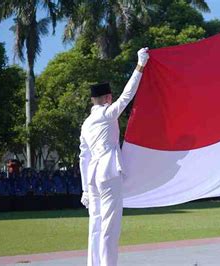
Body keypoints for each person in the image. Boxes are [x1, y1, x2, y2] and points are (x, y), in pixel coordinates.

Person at [79, 47, 149, 266]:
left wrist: (84, 188)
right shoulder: (108, 114)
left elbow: (83, 158)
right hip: (108, 173)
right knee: (110, 227)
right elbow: (127, 96)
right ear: (107, 98)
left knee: (95, 226)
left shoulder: (86, 124)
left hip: (92, 178)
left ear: (93, 100)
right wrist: (140, 66)